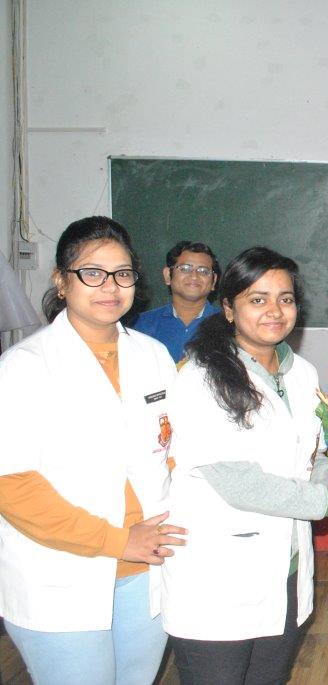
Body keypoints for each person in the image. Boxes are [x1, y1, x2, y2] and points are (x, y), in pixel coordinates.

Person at [160, 246, 328, 685]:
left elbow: (313, 460)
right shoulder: (201, 378)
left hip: (286, 568)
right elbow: (241, 484)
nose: (274, 310)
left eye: (285, 299)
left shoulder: (302, 373)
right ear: (228, 309)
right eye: (258, 299)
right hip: (217, 575)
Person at [0, 216, 186, 685]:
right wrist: (119, 541)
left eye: (122, 273)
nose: (110, 286)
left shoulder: (152, 356)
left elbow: (173, 450)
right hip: (61, 575)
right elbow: (12, 486)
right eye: (92, 272)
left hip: (146, 570)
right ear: (61, 281)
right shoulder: (24, 366)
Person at [133, 240, 221, 362]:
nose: (194, 276)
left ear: (214, 281)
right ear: (168, 275)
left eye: (203, 271)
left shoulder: (228, 326)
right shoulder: (142, 324)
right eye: (185, 269)